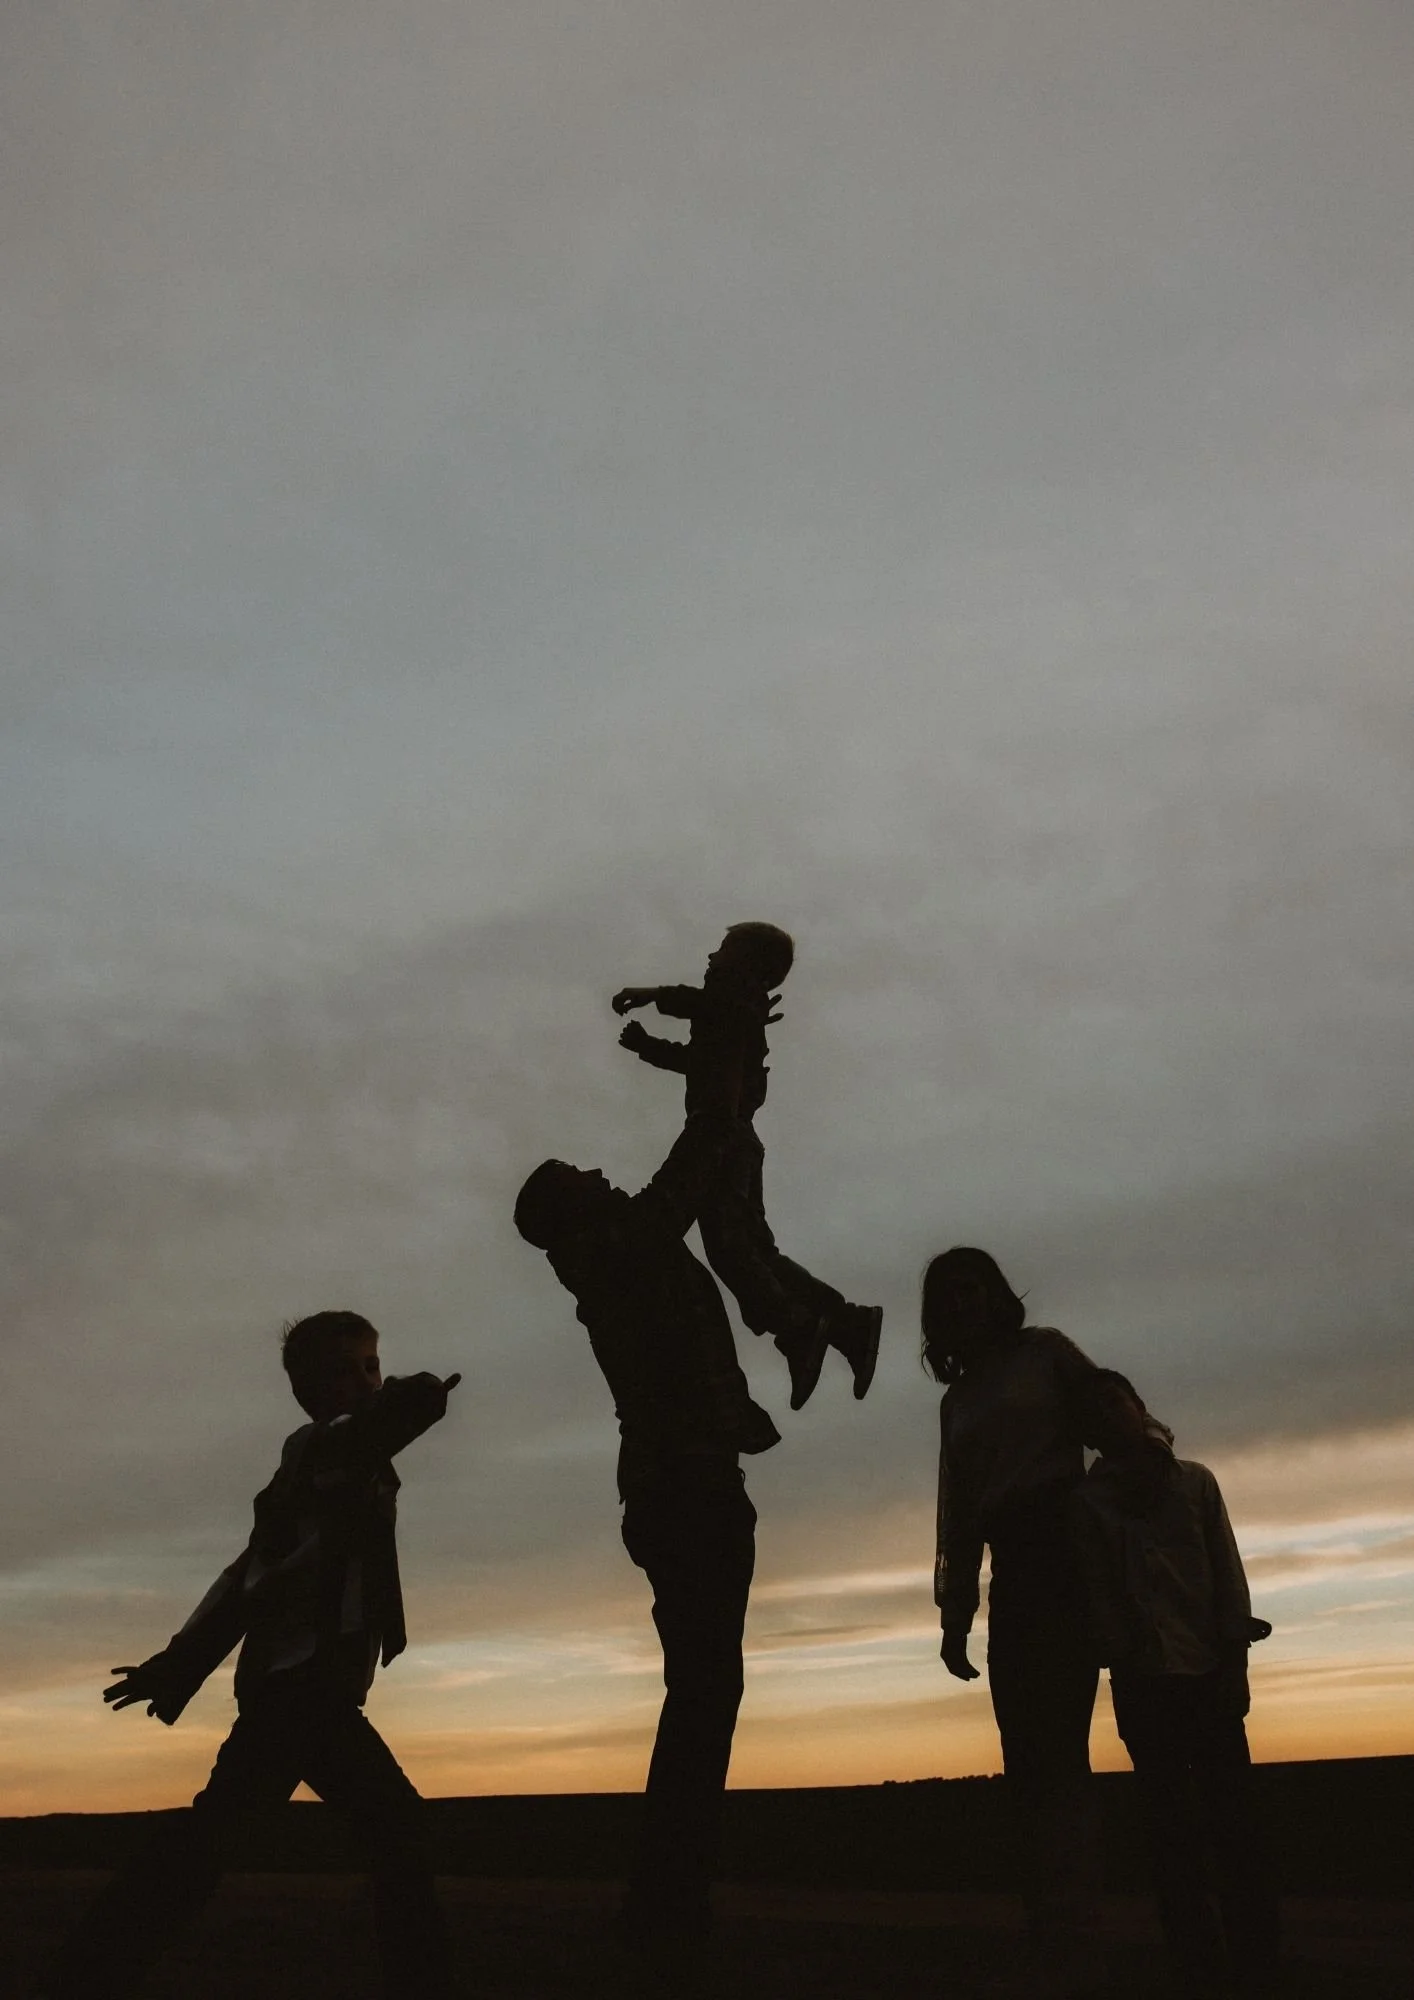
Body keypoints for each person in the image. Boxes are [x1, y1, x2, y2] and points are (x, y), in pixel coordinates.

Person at [43, 1312, 459, 2000]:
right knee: (391, 1833)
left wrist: (177, 1663)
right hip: (302, 1690)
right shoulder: (322, 1451)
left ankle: (89, 1969)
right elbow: (384, 1424)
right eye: (343, 1371)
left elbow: (244, 1579)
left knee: (226, 1840)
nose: (362, 1381)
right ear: (306, 1393)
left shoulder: (323, 1472)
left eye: (370, 1366)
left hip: (301, 1691)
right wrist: (418, 1396)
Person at [514, 1046, 777, 1974]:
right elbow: (685, 1179)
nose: (598, 1172)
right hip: (687, 1494)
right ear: (565, 1216)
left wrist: (730, 1088)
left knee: (702, 1697)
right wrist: (723, 1088)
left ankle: (667, 1905)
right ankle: (666, 1913)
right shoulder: (616, 1249)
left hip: (687, 1490)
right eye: (580, 1177)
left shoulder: (613, 1255)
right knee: (705, 1699)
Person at [925, 1246, 1108, 2000]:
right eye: (949, 1295)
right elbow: (958, 1513)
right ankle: (1051, 1920)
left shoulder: (1048, 1354)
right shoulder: (957, 1403)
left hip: (1072, 1550)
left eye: (974, 1288)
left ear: (996, 1295)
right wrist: (955, 1616)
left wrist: (1153, 1472)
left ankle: (1079, 1921)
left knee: (1064, 1745)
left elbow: (1113, 1417)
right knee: (1025, 1750)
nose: (964, 1303)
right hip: (1017, 1571)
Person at [613, 920, 881, 1411]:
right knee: (752, 1250)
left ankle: (800, 1330)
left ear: (749, 966)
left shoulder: (732, 1003)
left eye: (723, 948)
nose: (711, 956)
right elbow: (699, 1059)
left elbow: (710, 1009)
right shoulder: (736, 1013)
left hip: (722, 1136)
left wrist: (654, 994)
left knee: (734, 1251)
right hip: (734, 1137)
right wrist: (647, 1047)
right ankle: (845, 1324)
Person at [1070, 1370, 1280, 1997]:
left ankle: (1256, 1956)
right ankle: (1194, 1957)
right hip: (1145, 1680)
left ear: (1138, 1406)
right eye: (1096, 1411)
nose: (1110, 1416)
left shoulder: (1195, 1481)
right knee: (1169, 1829)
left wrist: (1235, 1661)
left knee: (1233, 1821)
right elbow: (1098, 1587)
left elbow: (1227, 1571)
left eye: (1116, 1402)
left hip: (1210, 1673)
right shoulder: (1089, 1502)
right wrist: (1122, 1653)